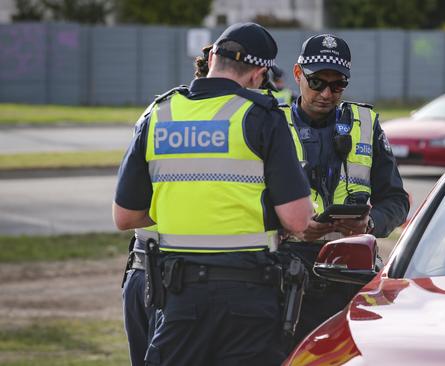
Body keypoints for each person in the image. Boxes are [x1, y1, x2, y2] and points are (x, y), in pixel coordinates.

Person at [112, 22, 313, 365]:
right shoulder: (262, 116)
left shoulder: (159, 114)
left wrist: (184, 209)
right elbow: (297, 220)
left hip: (178, 295)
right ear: (258, 74)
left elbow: (125, 217)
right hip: (248, 296)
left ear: (212, 57)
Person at [278, 34, 410, 345]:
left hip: (349, 271)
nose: (326, 93)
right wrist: (290, 226)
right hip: (287, 268)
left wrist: (370, 223)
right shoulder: (272, 123)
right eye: (317, 82)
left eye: (337, 85)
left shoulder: (365, 123)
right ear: (298, 75)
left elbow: (395, 200)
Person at [120, 48, 213, 366]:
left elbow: (126, 215)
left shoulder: (158, 114)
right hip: (190, 286)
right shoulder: (241, 126)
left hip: (142, 273)